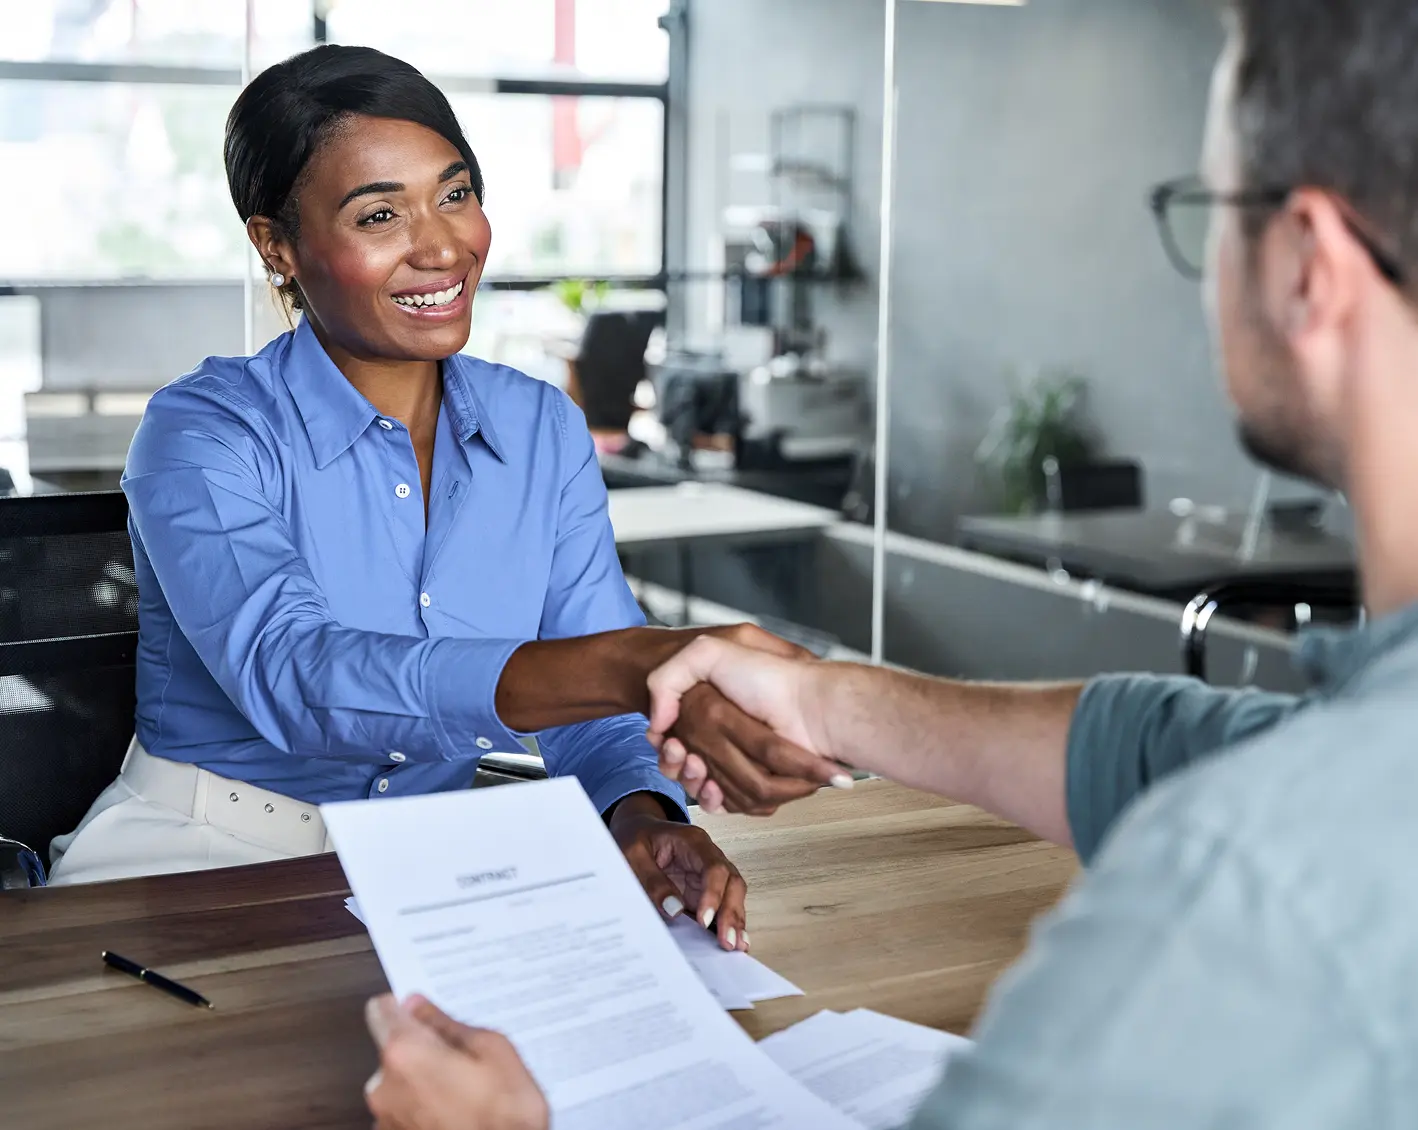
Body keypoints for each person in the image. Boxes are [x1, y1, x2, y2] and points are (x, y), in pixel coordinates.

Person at [361, 1, 1418, 1126]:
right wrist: (823, 698)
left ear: (1305, 263)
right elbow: (1193, 748)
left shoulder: (1240, 889)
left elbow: (1237, 804)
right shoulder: (1340, 770)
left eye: (1210, 206)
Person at [46, 44, 807, 952]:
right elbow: (301, 676)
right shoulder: (203, 433)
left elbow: (595, 708)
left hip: (430, 871)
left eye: (455, 194)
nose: (444, 245)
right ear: (277, 245)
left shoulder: (540, 432)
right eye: (380, 214)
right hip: (196, 859)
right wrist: (631, 661)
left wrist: (640, 817)